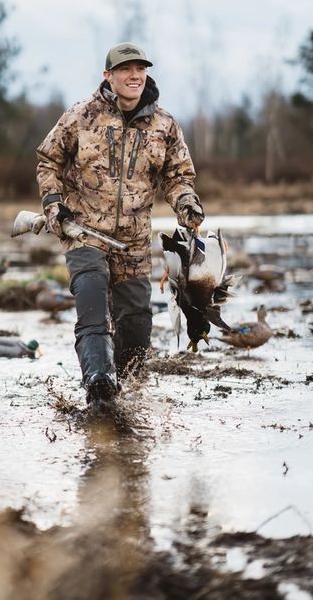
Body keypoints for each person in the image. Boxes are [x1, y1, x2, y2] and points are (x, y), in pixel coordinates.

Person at [36, 42, 204, 407]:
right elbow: (48, 162)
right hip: (84, 235)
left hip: (133, 245)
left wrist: (185, 202)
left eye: (140, 69)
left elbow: (178, 177)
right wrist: (53, 205)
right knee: (93, 308)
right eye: (126, 69)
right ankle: (98, 382)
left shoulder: (164, 125)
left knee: (137, 322)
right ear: (107, 76)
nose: (134, 75)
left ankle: (128, 395)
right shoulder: (81, 115)